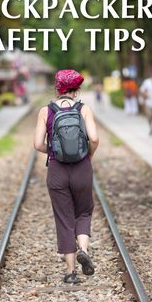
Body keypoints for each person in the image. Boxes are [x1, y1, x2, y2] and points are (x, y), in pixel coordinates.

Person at [34, 70, 99, 284]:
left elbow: (37, 144)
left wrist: (53, 151)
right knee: (84, 212)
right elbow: (94, 138)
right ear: (77, 89)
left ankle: (71, 273)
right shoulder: (84, 109)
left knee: (64, 219)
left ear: (57, 88)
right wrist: (87, 155)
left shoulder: (46, 111)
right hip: (82, 168)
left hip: (57, 170)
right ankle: (83, 249)